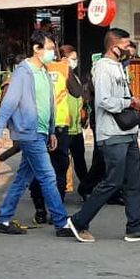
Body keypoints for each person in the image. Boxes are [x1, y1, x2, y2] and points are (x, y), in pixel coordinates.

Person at [0, 31, 86, 240]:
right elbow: (9, 103)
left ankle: (3, 219)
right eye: (50, 48)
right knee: (48, 176)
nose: (53, 53)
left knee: (23, 178)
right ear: (37, 48)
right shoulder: (23, 73)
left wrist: (51, 130)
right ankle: (61, 223)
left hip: (42, 132)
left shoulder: (44, 72)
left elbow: (49, 103)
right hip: (29, 132)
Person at [68, 28, 140, 243]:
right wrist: (129, 102)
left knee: (133, 183)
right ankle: (79, 221)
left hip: (128, 133)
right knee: (112, 181)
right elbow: (103, 100)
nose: (130, 49)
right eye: (126, 45)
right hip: (111, 134)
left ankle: (135, 227)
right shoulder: (103, 69)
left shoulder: (119, 67)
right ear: (114, 46)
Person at [26, 43, 73, 222]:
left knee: (38, 170)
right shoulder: (62, 70)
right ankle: (56, 212)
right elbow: (76, 92)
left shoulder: (29, 69)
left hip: (38, 127)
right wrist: (67, 68)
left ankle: (40, 211)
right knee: (58, 171)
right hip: (57, 126)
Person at [61, 45, 89, 190]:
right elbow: (76, 93)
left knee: (80, 161)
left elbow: (79, 95)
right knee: (62, 163)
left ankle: (85, 189)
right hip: (64, 126)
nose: (75, 61)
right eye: (73, 59)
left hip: (76, 127)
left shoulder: (73, 75)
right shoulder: (61, 75)